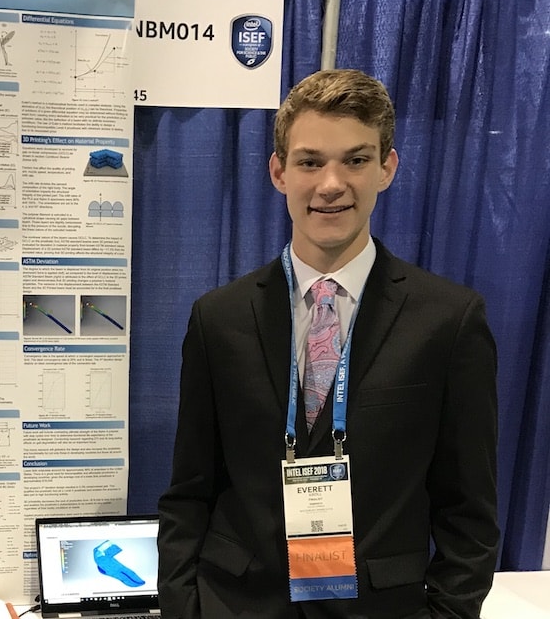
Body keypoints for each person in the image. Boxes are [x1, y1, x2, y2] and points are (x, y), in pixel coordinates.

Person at [157, 69, 499, 618]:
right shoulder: (218, 319)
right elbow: (189, 493)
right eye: (310, 161)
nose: (331, 183)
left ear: (387, 168)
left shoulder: (449, 321)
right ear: (279, 172)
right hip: (236, 604)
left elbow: (469, 510)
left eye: (356, 160)